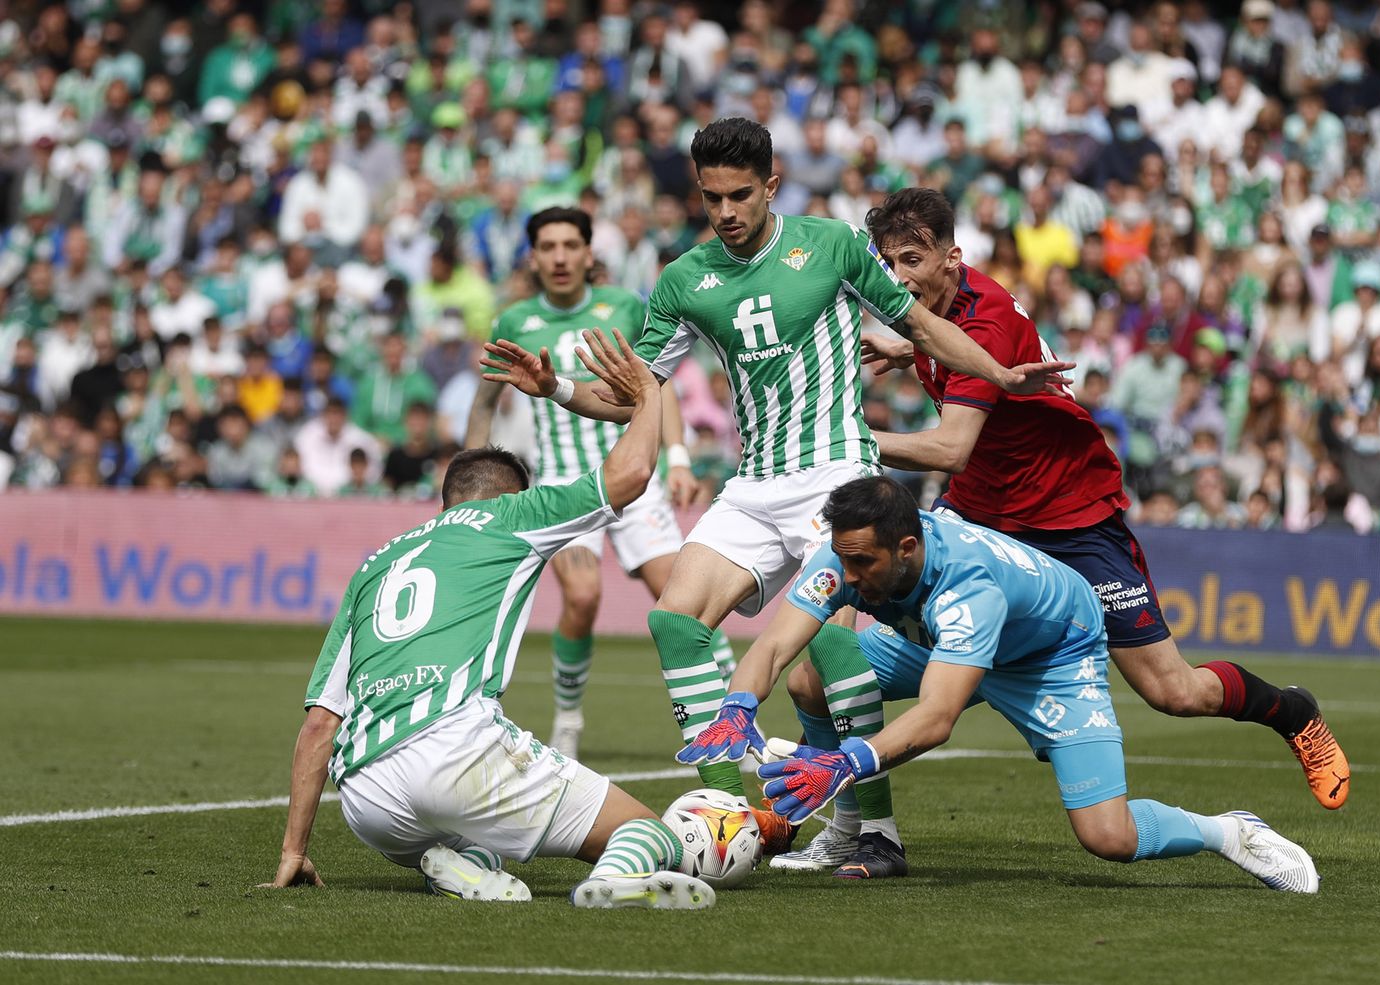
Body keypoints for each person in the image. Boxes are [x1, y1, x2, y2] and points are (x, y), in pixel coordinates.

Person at [480, 118, 1063, 871]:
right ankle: (730, 811)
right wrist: (555, 386)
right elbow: (636, 399)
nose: (724, 210)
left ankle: (873, 832)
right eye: (710, 195)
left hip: (836, 476)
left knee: (825, 645)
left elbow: (920, 325)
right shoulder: (685, 279)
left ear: (772, 186)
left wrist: (1001, 372)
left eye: (740, 195)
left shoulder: (831, 246)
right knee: (674, 618)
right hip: (756, 483)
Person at [849, 189, 1346, 845]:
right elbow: (969, 368)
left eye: (913, 257)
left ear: (953, 256)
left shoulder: (984, 318)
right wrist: (911, 352)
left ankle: (1292, 710)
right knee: (847, 666)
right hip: (982, 514)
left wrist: (848, 438)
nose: (900, 275)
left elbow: (949, 446)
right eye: (889, 261)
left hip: (1069, 515)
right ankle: (842, 821)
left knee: (1174, 692)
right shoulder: (932, 319)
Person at [679, 477, 1320, 894]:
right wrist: (739, 703)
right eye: (841, 559)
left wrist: (843, 763)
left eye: (861, 564)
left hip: (1051, 657)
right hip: (937, 644)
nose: (846, 576)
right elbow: (773, 644)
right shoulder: (848, 552)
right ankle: (851, 832)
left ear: (906, 548)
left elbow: (936, 718)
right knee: (812, 679)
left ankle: (1231, 830)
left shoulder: (967, 590)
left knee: (1109, 837)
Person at [262, 331, 715, 911]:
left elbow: (320, 723)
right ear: (508, 496)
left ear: (445, 500)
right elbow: (627, 479)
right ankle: (618, 882)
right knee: (648, 833)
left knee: (479, 843)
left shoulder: (378, 562)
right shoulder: (511, 517)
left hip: (367, 801)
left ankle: (459, 867)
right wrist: (650, 398)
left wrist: (293, 849)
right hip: (454, 752)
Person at [467, 206, 738, 760]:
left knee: (685, 599)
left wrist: (679, 458)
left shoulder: (625, 307)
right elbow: (484, 402)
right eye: (548, 246)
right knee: (584, 595)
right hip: (567, 488)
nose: (561, 256)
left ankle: (735, 713)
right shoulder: (514, 321)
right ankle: (568, 718)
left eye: (571, 245)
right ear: (534, 257)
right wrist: (466, 486)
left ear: (589, 254)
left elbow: (655, 385)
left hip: (635, 477)